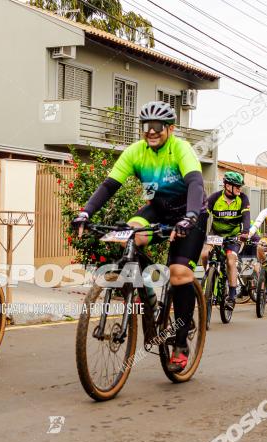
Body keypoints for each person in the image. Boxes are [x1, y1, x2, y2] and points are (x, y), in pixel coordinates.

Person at [72, 101, 206, 373]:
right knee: (128, 235)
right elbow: (109, 185)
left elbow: (195, 183)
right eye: (146, 127)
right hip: (158, 209)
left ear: (170, 128)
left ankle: (180, 342)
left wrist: (190, 216)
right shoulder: (136, 152)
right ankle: (145, 294)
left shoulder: (180, 148)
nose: (151, 132)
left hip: (191, 213)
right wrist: (86, 213)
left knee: (179, 272)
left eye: (157, 127)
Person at [200, 171, 251, 310]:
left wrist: (245, 232)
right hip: (216, 233)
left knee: (230, 260)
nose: (240, 189)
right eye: (237, 186)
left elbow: (246, 217)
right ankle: (208, 277)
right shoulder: (215, 198)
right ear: (227, 186)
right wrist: (198, 231)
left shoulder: (243, 198)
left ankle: (232, 295)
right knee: (205, 254)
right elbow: (204, 216)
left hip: (234, 235)